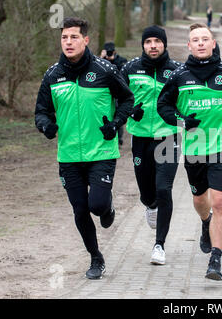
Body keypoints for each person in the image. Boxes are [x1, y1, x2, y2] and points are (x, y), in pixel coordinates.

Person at [34, 17, 134, 280]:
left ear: (86, 40)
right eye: (65, 37)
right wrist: (47, 126)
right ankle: (96, 258)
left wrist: (116, 123)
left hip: (101, 150)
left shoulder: (105, 70)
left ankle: (108, 206)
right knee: (80, 210)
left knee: (97, 205)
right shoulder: (53, 75)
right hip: (68, 155)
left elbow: (127, 99)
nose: (68, 42)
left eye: (74, 37)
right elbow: (41, 112)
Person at [157, 23, 222, 281]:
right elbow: (163, 105)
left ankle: (216, 259)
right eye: (195, 40)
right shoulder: (179, 75)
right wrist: (181, 120)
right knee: (200, 200)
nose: (200, 43)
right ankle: (205, 222)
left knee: (219, 200)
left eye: (205, 39)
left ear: (213, 43)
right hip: (195, 147)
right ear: (189, 45)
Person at [120, 25, 182, 265]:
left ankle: (159, 245)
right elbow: (118, 97)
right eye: (148, 42)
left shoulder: (177, 71)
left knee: (164, 188)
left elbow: (187, 99)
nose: (153, 45)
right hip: (140, 137)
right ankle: (150, 204)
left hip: (168, 136)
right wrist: (127, 112)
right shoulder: (130, 69)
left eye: (157, 41)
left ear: (164, 44)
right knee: (148, 193)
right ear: (143, 45)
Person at [101, 42, 128, 146]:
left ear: (115, 51)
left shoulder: (121, 61)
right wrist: (103, 59)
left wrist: (113, 61)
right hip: (104, 93)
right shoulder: (99, 62)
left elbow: (122, 75)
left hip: (117, 92)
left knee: (117, 114)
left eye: (110, 52)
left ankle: (119, 138)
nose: (109, 53)